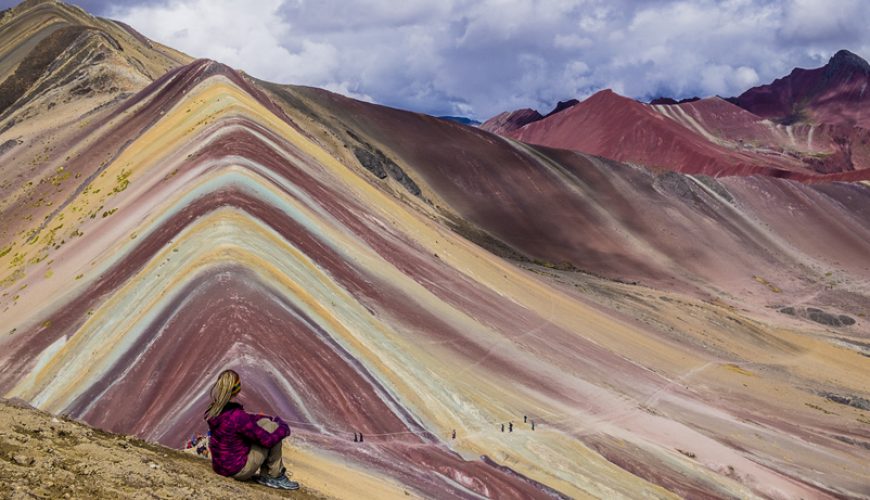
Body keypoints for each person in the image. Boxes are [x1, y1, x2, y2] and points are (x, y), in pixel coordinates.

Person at [204, 369, 299, 490]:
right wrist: (284, 428)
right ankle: (274, 475)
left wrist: (263, 418)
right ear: (237, 389)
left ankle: (269, 474)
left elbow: (245, 420)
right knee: (273, 428)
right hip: (238, 470)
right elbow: (267, 441)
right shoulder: (237, 417)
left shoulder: (215, 411)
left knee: (265, 422)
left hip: (220, 466)